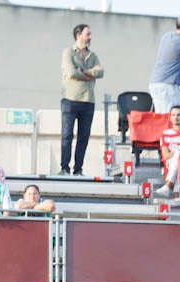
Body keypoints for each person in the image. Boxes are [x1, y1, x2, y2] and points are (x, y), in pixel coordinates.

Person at [60, 25, 103, 176]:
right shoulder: (68, 52)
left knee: (83, 137)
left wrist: (82, 71)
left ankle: (78, 169)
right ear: (78, 35)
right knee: (67, 135)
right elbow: (71, 72)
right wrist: (90, 74)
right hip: (70, 99)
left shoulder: (93, 55)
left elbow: (100, 72)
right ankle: (64, 168)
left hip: (88, 101)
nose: (90, 37)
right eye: (87, 34)